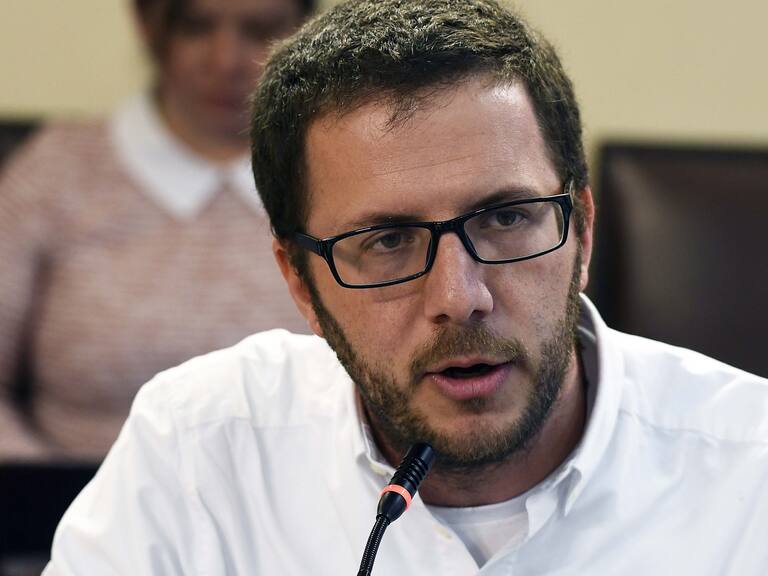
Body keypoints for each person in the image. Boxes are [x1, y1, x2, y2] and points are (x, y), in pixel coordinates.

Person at [44, 0, 768, 573]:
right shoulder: (201, 451)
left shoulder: (748, 473)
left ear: (581, 230)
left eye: (507, 217)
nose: (460, 295)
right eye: (387, 241)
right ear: (300, 281)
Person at [0, 0, 313, 461]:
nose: (225, 60)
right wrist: (47, 502)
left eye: (258, 30)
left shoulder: (339, 176)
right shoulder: (55, 172)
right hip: (72, 505)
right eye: (196, 27)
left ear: (302, 31)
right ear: (148, 24)